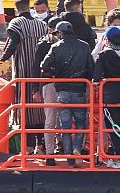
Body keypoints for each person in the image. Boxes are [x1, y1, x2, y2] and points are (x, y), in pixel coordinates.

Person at [40, 21, 95, 167]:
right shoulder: (84, 46)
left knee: (65, 126)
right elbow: (91, 68)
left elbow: (44, 65)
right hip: (79, 90)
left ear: (60, 33)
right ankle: (77, 147)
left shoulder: (56, 47)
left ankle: (70, 158)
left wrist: (54, 73)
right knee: (81, 123)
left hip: (62, 91)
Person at [0, 0, 48, 152]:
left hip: (23, 73)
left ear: (16, 9)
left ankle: (27, 147)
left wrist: (2, 59)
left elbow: (12, 43)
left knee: (24, 109)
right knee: (41, 109)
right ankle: (41, 145)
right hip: (41, 74)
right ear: (30, 8)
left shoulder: (16, 23)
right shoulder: (42, 25)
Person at [93, 26, 120, 168]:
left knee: (113, 127)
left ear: (107, 39)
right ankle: (117, 155)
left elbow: (96, 76)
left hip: (110, 97)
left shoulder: (103, 55)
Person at [32, 17, 62, 165]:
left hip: (66, 84)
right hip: (49, 83)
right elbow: (37, 66)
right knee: (50, 119)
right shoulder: (43, 45)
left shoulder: (67, 43)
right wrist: (35, 89)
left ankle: (62, 146)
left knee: (66, 119)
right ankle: (50, 152)